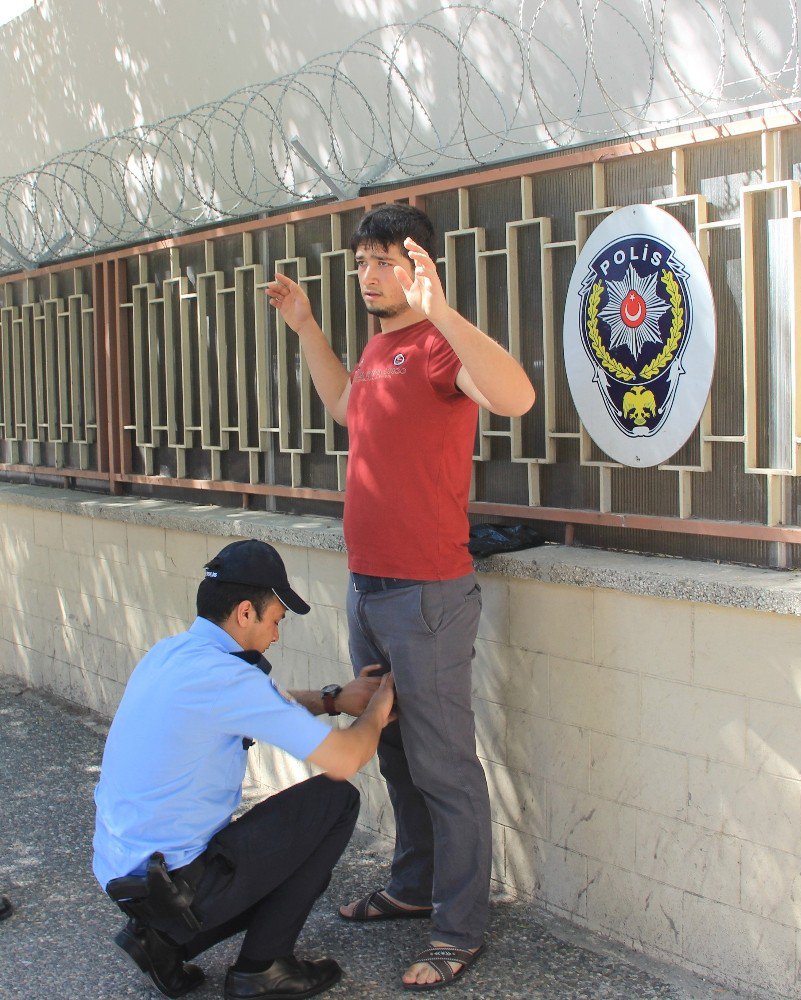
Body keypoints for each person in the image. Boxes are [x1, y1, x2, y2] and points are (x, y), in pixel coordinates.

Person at [267, 204, 535, 991]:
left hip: (427, 593)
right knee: (391, 748)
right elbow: (350, 412)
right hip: (368, 587)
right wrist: (309, 328)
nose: (371, 274)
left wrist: (443, 311)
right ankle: (414, 886)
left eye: (386, 260)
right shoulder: (382, 349)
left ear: (416, 264)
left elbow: (515, 398)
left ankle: (459, 929)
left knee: (445, 764)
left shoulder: (436, 344)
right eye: (364, 263)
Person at [93, 538, 395, 1000]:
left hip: (128, 879)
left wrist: (332, 700)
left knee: (279, 850)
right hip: (179, 883)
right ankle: (263, 968)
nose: (276, 635)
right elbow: (345, 758)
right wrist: (378, 707)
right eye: (276, 620)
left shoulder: (171, 654)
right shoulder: (229, 679)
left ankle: (160, 941)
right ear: (245, 613)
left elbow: (252, 706)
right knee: (335, 801)